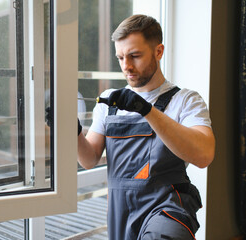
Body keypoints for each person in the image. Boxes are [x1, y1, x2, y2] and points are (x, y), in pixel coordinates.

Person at [77, 15, 215, 239]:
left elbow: (204, 156)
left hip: (168, 208)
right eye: (120, 57)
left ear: (158, 52)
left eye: (135, 56)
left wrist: (148, 111)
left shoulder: (186, 100)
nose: (126, 66)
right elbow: (89, 158)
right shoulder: (109, 102)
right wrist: (72, 132)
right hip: (120, 212)